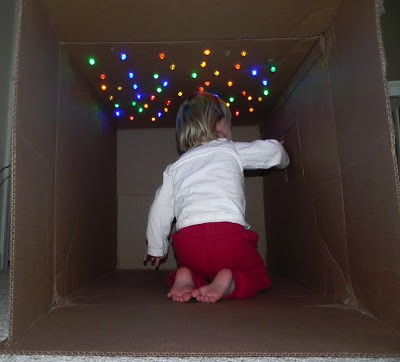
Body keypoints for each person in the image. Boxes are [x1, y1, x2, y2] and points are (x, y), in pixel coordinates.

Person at [144, 91, 289, 303]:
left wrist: (156, 247)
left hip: (188, 246)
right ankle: (228, 282)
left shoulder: (174, 168)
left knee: (201, 274)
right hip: (229, 240)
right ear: (221, 125)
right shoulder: (230, 150)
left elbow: (159, 208)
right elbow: (273, 151)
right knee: (258, 276)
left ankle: (185, 276)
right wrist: (285, 158)